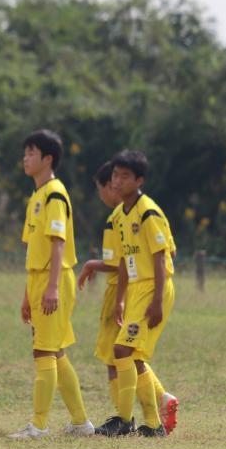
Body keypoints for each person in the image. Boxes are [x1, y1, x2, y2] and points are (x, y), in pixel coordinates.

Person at [78, 160, 179, 433]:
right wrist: (121, 299)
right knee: (127, 354)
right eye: (115, 175)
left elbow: (162, 256)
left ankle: (125, 421)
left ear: (139, 180)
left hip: (151, 289)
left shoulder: (147, 212)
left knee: (123, 351)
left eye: (125, 176)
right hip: (136, 288)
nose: (117, 181)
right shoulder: (122, 214)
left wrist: (157, 299)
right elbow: (124, 261)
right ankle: (150, 424)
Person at [8, 130, 93, 439]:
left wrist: (53, 287)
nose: (25, 159)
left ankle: (39, 425)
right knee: (55, 352)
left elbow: (59, 244)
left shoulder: (55, 194)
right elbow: (34, 250)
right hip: (39, 279)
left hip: (53, 279)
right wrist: (26, 295)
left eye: (31, 153)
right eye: (25, 153)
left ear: (48, 159)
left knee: (43, 353)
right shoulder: (37, 196)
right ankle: (81, 423)